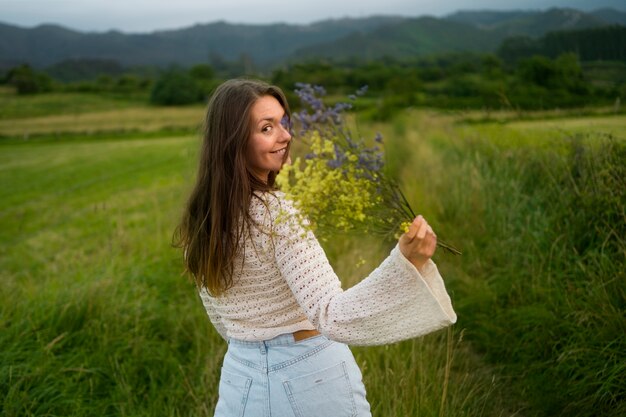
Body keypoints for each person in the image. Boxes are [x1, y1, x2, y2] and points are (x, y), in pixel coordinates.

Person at [174, 79, 457, 417]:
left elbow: (222, 319)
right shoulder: (278, 213)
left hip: (239, 378)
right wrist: (405, 262)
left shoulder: (203, 219)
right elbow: (330, 316)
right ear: (234, 142)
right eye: (267, 128)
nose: (285, 136)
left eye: (283, 123)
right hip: (310, 378)